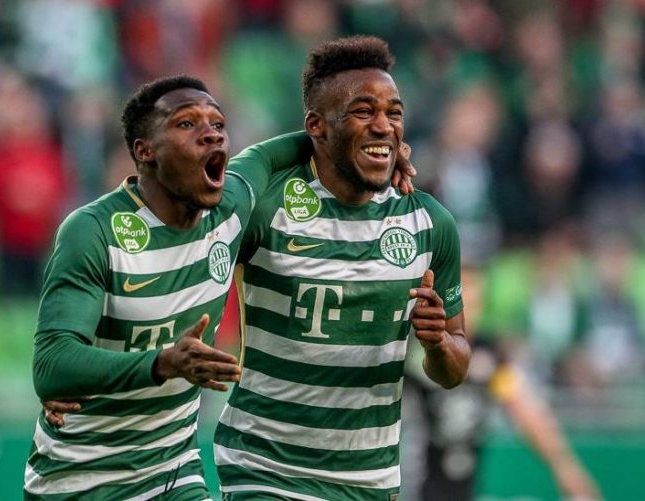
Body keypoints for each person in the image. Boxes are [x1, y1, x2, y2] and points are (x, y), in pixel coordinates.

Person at [27, 73, 419, 499]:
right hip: (82, 478)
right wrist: (162, 363)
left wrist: (374, 152)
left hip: (173, 471)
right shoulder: (93, 230)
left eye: (218, 124)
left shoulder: (230, 208)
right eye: (187, 124)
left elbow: (289, 148)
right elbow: (53, 365)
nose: (211, 134)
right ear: (145, 150)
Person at [212, 36, 471, 500]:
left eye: (393, 113)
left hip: (369, 480)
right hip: (265, 469)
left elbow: (455, 369)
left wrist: (437, 345)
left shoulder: (429, 223)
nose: (384, 126)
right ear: (316, 125)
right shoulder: (270, 206)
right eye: (363, 112)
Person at [401, 266, 601, 501]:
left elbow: (524, 408)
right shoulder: (412, 351)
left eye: (475, 303)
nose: (468, 313)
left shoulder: (489, 355)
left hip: (461, 487)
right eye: (460, 302)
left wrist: (566, 469)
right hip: (412, 486)